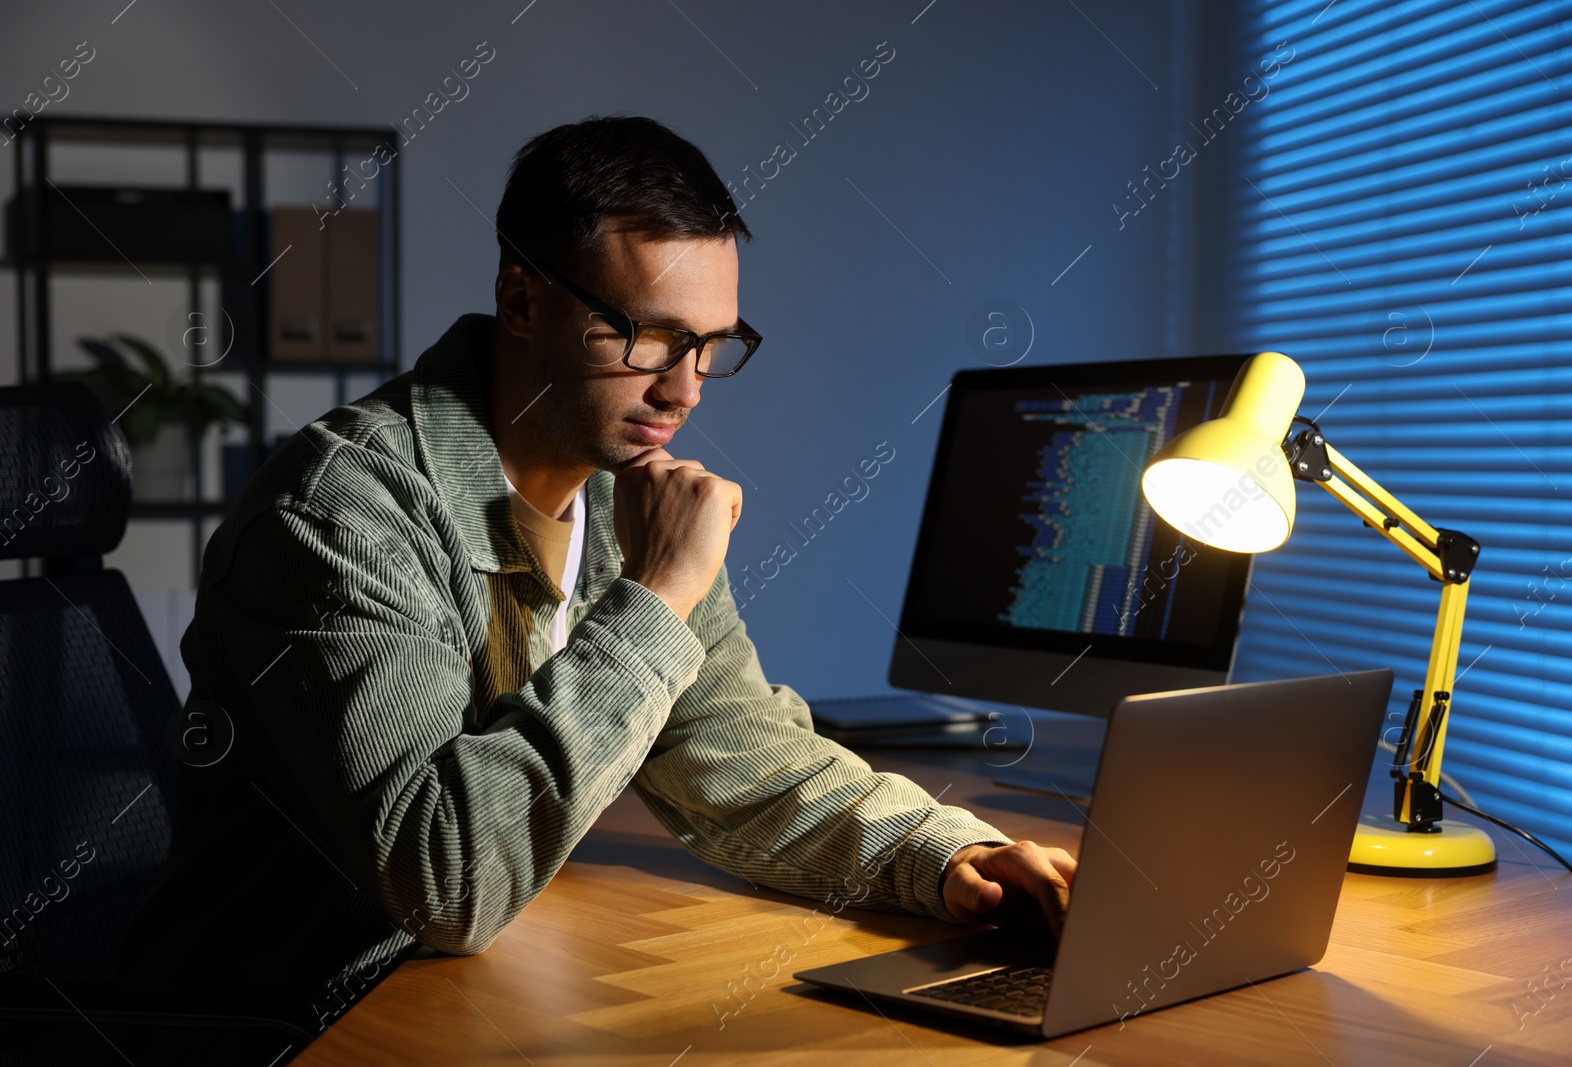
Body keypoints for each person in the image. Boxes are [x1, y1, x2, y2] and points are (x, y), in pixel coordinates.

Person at [117, 115, 1076, 1043]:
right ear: (524, 301)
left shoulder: (627, 500)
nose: (686, 388)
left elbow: (743, 760)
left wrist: (951, 856)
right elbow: (447, 877)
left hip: (474, 993)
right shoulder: (341, 515)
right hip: (291, 1024)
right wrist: (658, 597)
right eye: (648, 338)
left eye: (711, 344)